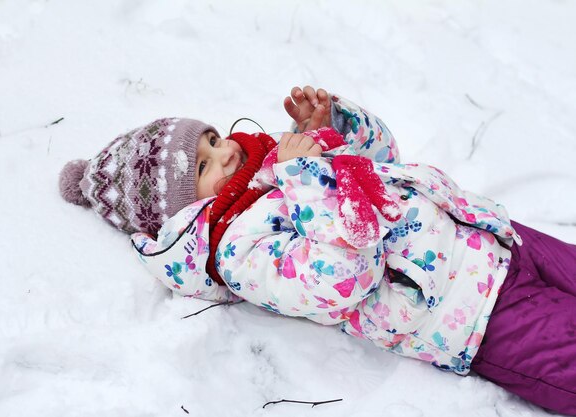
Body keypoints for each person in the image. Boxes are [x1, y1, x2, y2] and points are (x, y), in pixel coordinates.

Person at [59, 87, 576, 415]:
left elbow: (383, 164)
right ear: (181, 208)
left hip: (494, 235)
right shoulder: (239, 248)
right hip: (474, 312)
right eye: (202, 165)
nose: (226, 150)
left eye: (213, 139)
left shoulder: (276, 166)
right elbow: (342, 278)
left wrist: (337, 129)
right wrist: (307, 173)